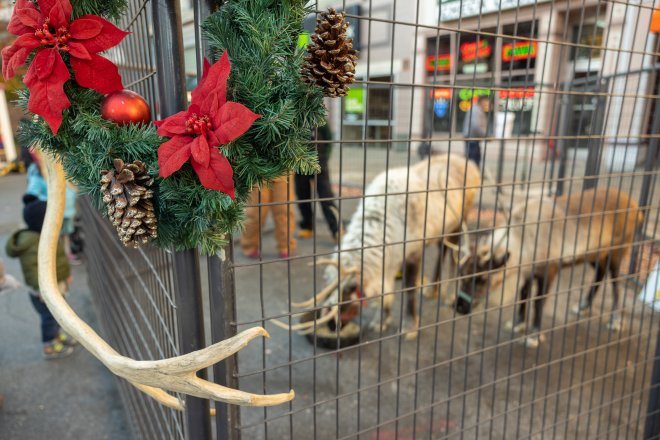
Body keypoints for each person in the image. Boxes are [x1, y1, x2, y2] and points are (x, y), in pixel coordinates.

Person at [5, 196, 77, 360]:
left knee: (59, 314)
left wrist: (66, 276)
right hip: (43, 292)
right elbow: (33, 271)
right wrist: (42, 290)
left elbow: (59, 258)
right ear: (43, 221)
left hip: (57, 285)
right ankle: (49, 346)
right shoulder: (32, 242)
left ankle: (56, 335)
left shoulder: (47, 235)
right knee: (49, 317)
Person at [294, 123, 340, 242]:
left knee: (326, 197)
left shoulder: (320, 120)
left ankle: (337, 229)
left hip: (320, 163)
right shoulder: (294, 119)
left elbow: (328, 138)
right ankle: (307, 226)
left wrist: (325, 156)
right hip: (299, 164)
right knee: (302, 196)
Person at [240, 175, 297, 259]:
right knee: (256, 212)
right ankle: (249, 245)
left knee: (284, 210)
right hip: (257, 173)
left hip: (283, 172)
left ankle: (286, 246)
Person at [462, 94, 490, 166]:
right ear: (482, 101)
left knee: (473, 161)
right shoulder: (476, 110)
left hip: (473, 140)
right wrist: (486, 135)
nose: (487, 103)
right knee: (473, 163)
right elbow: (476, 126)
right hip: (472, 140)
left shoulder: (477, 109)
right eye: (486, 101)